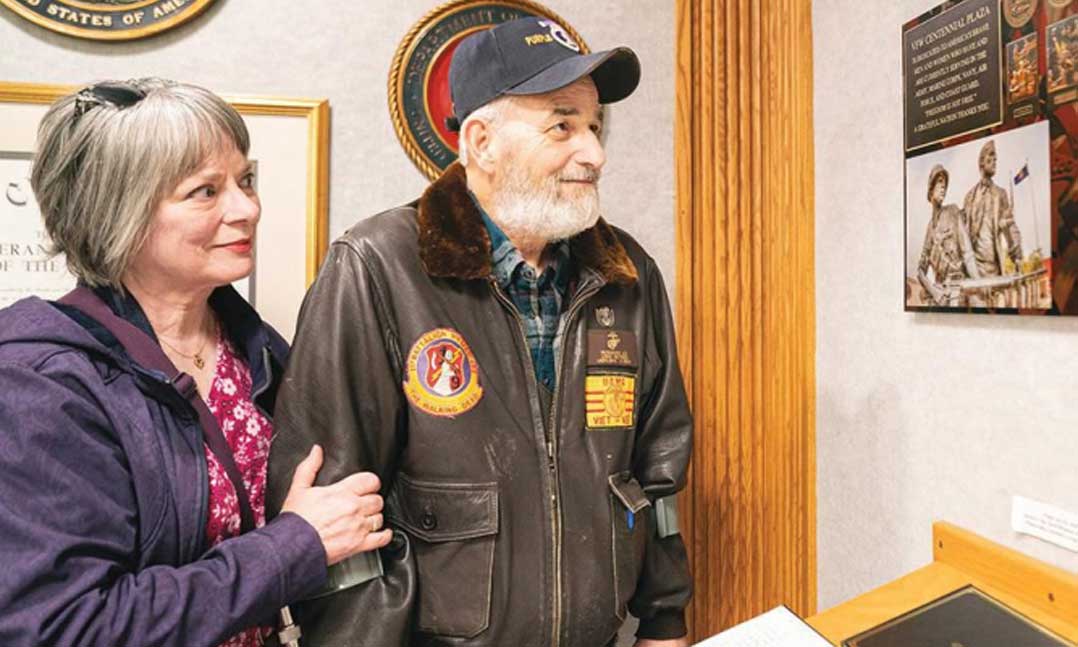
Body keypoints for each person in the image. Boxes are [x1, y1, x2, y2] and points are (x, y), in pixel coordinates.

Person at [266, 16, 692, 647]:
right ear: (481, 141)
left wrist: (664, 621)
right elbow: (336, 507)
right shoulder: (377, 266)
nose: (595, 153)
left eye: (596, 127)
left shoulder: (626, 275)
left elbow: (655, 476)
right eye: (563, 125)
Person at [0, 78, 390, 647]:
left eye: (245, 180)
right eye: (205, 191)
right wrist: (296, 543)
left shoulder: (254, 349)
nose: (247, 208)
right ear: (119, 213)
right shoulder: (43, 385)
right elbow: (66, 627)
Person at [917, 164, 979, 306]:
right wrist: (934, 291)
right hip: (940, 294)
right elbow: (920, 270)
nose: (943, 187)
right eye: (939, 182)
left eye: (945, 184)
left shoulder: (953, 211)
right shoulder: (929, 229)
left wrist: (979, 282)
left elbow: (968, 253)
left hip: (958, 289)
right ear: (931, 189)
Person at [962, 140, 1023, 277]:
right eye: (991, 157)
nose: (995, 161)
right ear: (981, 162)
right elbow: (962, 233)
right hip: (972, 269)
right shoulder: (969, 197)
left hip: (993, 267)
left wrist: (1017, 256)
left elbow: (1010, 225)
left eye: (996, 159)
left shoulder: (1000, 194)